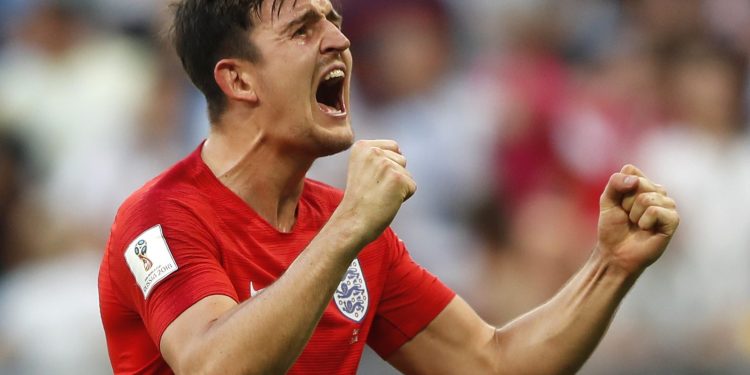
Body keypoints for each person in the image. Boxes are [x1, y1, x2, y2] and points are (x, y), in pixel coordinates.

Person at [97, 0, 680, 374]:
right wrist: (348, 227)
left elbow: (491, 365)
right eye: (304, 29)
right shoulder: (162, 217)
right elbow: (213, 368)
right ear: (239, 79)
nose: (339, 41)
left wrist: (610, 266)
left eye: (335, 20)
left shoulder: (346, 226)